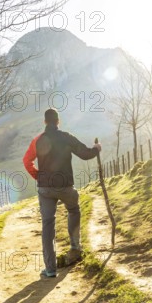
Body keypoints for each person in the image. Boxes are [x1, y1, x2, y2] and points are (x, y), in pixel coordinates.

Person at [22, 108, 101, 278]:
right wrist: (96, 148)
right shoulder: (67, 137)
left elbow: (26, 161)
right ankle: (74, 247)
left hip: (46, 190)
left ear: (45, 122)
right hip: (66, 186)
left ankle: (50, 269)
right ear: (58, 121)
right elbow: (85, 154)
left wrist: (39, 176)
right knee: (73, 210)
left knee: (48, 224)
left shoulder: (37, 140)